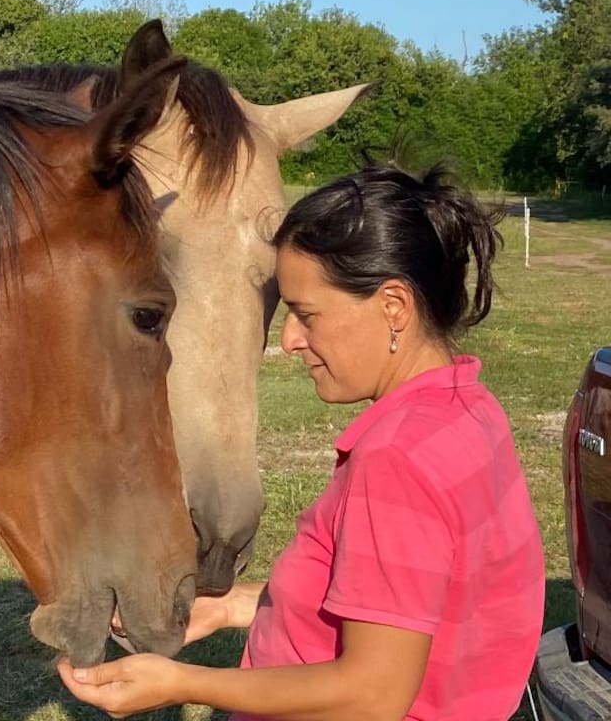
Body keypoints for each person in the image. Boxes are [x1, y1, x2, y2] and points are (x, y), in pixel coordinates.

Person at [58, 164, 546, 720]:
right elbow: (407, 599)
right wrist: (232, 607)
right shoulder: (467, 412)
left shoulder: (395, 460)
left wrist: (182, 683)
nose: (290, 340)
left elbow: (371, 696)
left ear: (394, 307)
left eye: (307, 315)